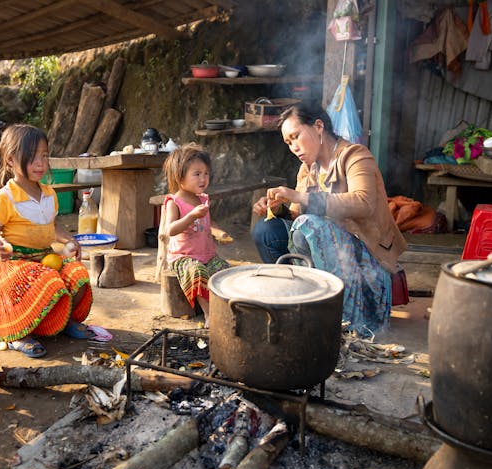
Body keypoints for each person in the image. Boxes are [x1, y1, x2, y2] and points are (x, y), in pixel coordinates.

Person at [251, 101, 407, 337]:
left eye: (296, 136)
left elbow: (363, 203)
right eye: (288, 142)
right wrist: (278, 208)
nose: (293, 147)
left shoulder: (355, 156)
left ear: (318, 126)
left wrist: (300, 196)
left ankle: (346, 316)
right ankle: (297, 303)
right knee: (267, 230)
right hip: (328, 252)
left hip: (366, 260)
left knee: (310, 225)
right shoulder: (307, 169)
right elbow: (295, 217)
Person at [0, 124, 92, 358]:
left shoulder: (49, 194)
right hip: (14, 264)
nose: (41, 163)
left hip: (45, 258)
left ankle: (64, 322)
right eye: (32, 157)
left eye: (44, 156)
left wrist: (69, 240)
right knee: (47, 280)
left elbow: (52, 227)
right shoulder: (5, 197)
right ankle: (17, 334)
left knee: (78, 273)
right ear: (11, 160)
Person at [163, 143, 233, 328]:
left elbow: (209, 224)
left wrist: (220, 233)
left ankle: (227, 308)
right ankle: (209, 313)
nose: (203, 178)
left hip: (207, 254)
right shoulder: (174, 202)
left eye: (206, 173)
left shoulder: (202, 198)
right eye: (197, 174)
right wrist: (191, 215)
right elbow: (170, 229)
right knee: (198, 273)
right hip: (184, 257)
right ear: (179, 177)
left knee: (225, 271)